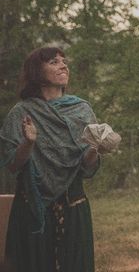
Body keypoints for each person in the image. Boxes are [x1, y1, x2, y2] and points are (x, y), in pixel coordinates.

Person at [0, 47, 101, 272]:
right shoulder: (21, 112)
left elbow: (87, 167)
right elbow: (12, 165)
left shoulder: (81, 110)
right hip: (32, 212)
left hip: (73, 206)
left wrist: (96, 148)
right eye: (54, 62)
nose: (64, 65)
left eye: (64, 61)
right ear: (37, 71)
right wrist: (28, 142)